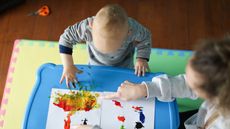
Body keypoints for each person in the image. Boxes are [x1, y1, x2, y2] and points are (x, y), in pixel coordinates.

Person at [73, 37, 230, 129]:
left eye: (193, 84)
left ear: (216, 94)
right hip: (198, 120)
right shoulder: (221, 84)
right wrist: (144, 89)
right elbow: (184, 84)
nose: (186, 82)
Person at [59, 4, 152, 87]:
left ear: (128, 33)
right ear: (91, 26)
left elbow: (145, 37)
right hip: (95, 63)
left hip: (124, 64)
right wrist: (68, 65)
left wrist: (141, 59)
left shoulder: (133, 29)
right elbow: (66, 39)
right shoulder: (85, 28)